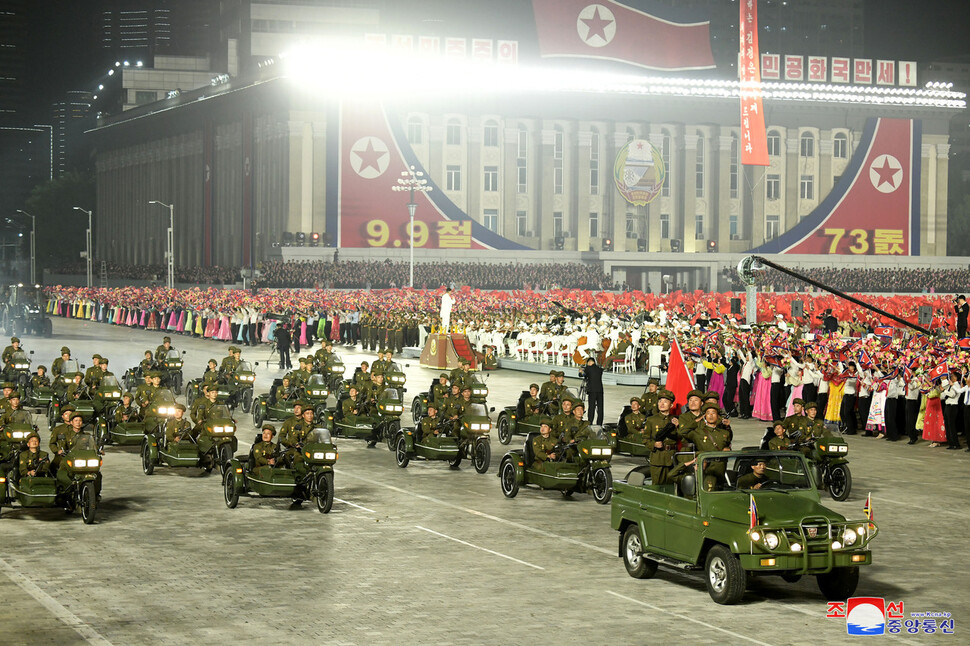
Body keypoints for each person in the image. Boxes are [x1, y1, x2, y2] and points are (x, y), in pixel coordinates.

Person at [644, 389, 679, 485]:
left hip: (672, 458)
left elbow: (682, 437)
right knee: (657, 487)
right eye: (660, 401)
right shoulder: (651, 420)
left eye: (665, 402)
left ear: (671, 405)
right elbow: (645, 439)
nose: (662, 404)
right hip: (657, 459)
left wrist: (678, 427)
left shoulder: (676, 420)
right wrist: (654, 444)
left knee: (671, 487)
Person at [580, 357, 604, 426]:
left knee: (591, 407)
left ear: (589, 362)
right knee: (600, 408)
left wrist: (581, 371)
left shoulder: (588, 368)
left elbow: (582, 375)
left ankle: (590, 422)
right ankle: (599, 424)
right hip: (600, 390)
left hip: (592, 391)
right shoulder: (599, 369)